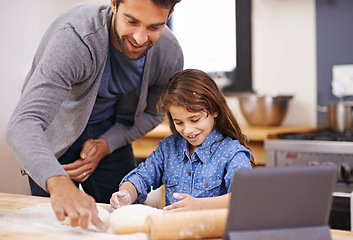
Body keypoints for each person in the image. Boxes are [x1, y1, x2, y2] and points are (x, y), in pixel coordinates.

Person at [6, 0, 183, 230]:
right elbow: (22, 123)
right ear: (114, 4)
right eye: (132, 21)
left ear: (170, 14)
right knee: (54, 227)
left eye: (154, 27)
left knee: (122, 218)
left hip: (110, 130)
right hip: (55, 130)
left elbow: (153, 113)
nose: (140, 38)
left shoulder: (168, 53)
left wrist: (106, 144)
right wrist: (58, 183)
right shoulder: (75, 39)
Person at [110, 69, 255, 212]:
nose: (188, 130)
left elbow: (245, 196)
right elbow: (141, 178)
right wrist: (126, 193)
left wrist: (198, 205)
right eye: (179, 123)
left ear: (215, 110)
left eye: (194, 119)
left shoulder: (231, 153)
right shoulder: (168, 148)